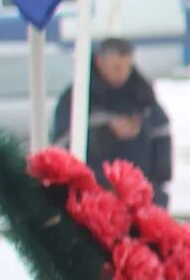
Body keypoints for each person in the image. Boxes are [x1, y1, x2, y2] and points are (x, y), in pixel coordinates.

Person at [55, 37, 172, 197]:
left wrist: (157, 181)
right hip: (93, 193)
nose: (123, 74)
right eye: (116, 68)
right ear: (99, 62)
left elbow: (162, 132)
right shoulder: (77, 98)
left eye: (128, 67)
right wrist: (106, 132)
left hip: (141, 190)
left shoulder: (142, 95)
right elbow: (61, 145)